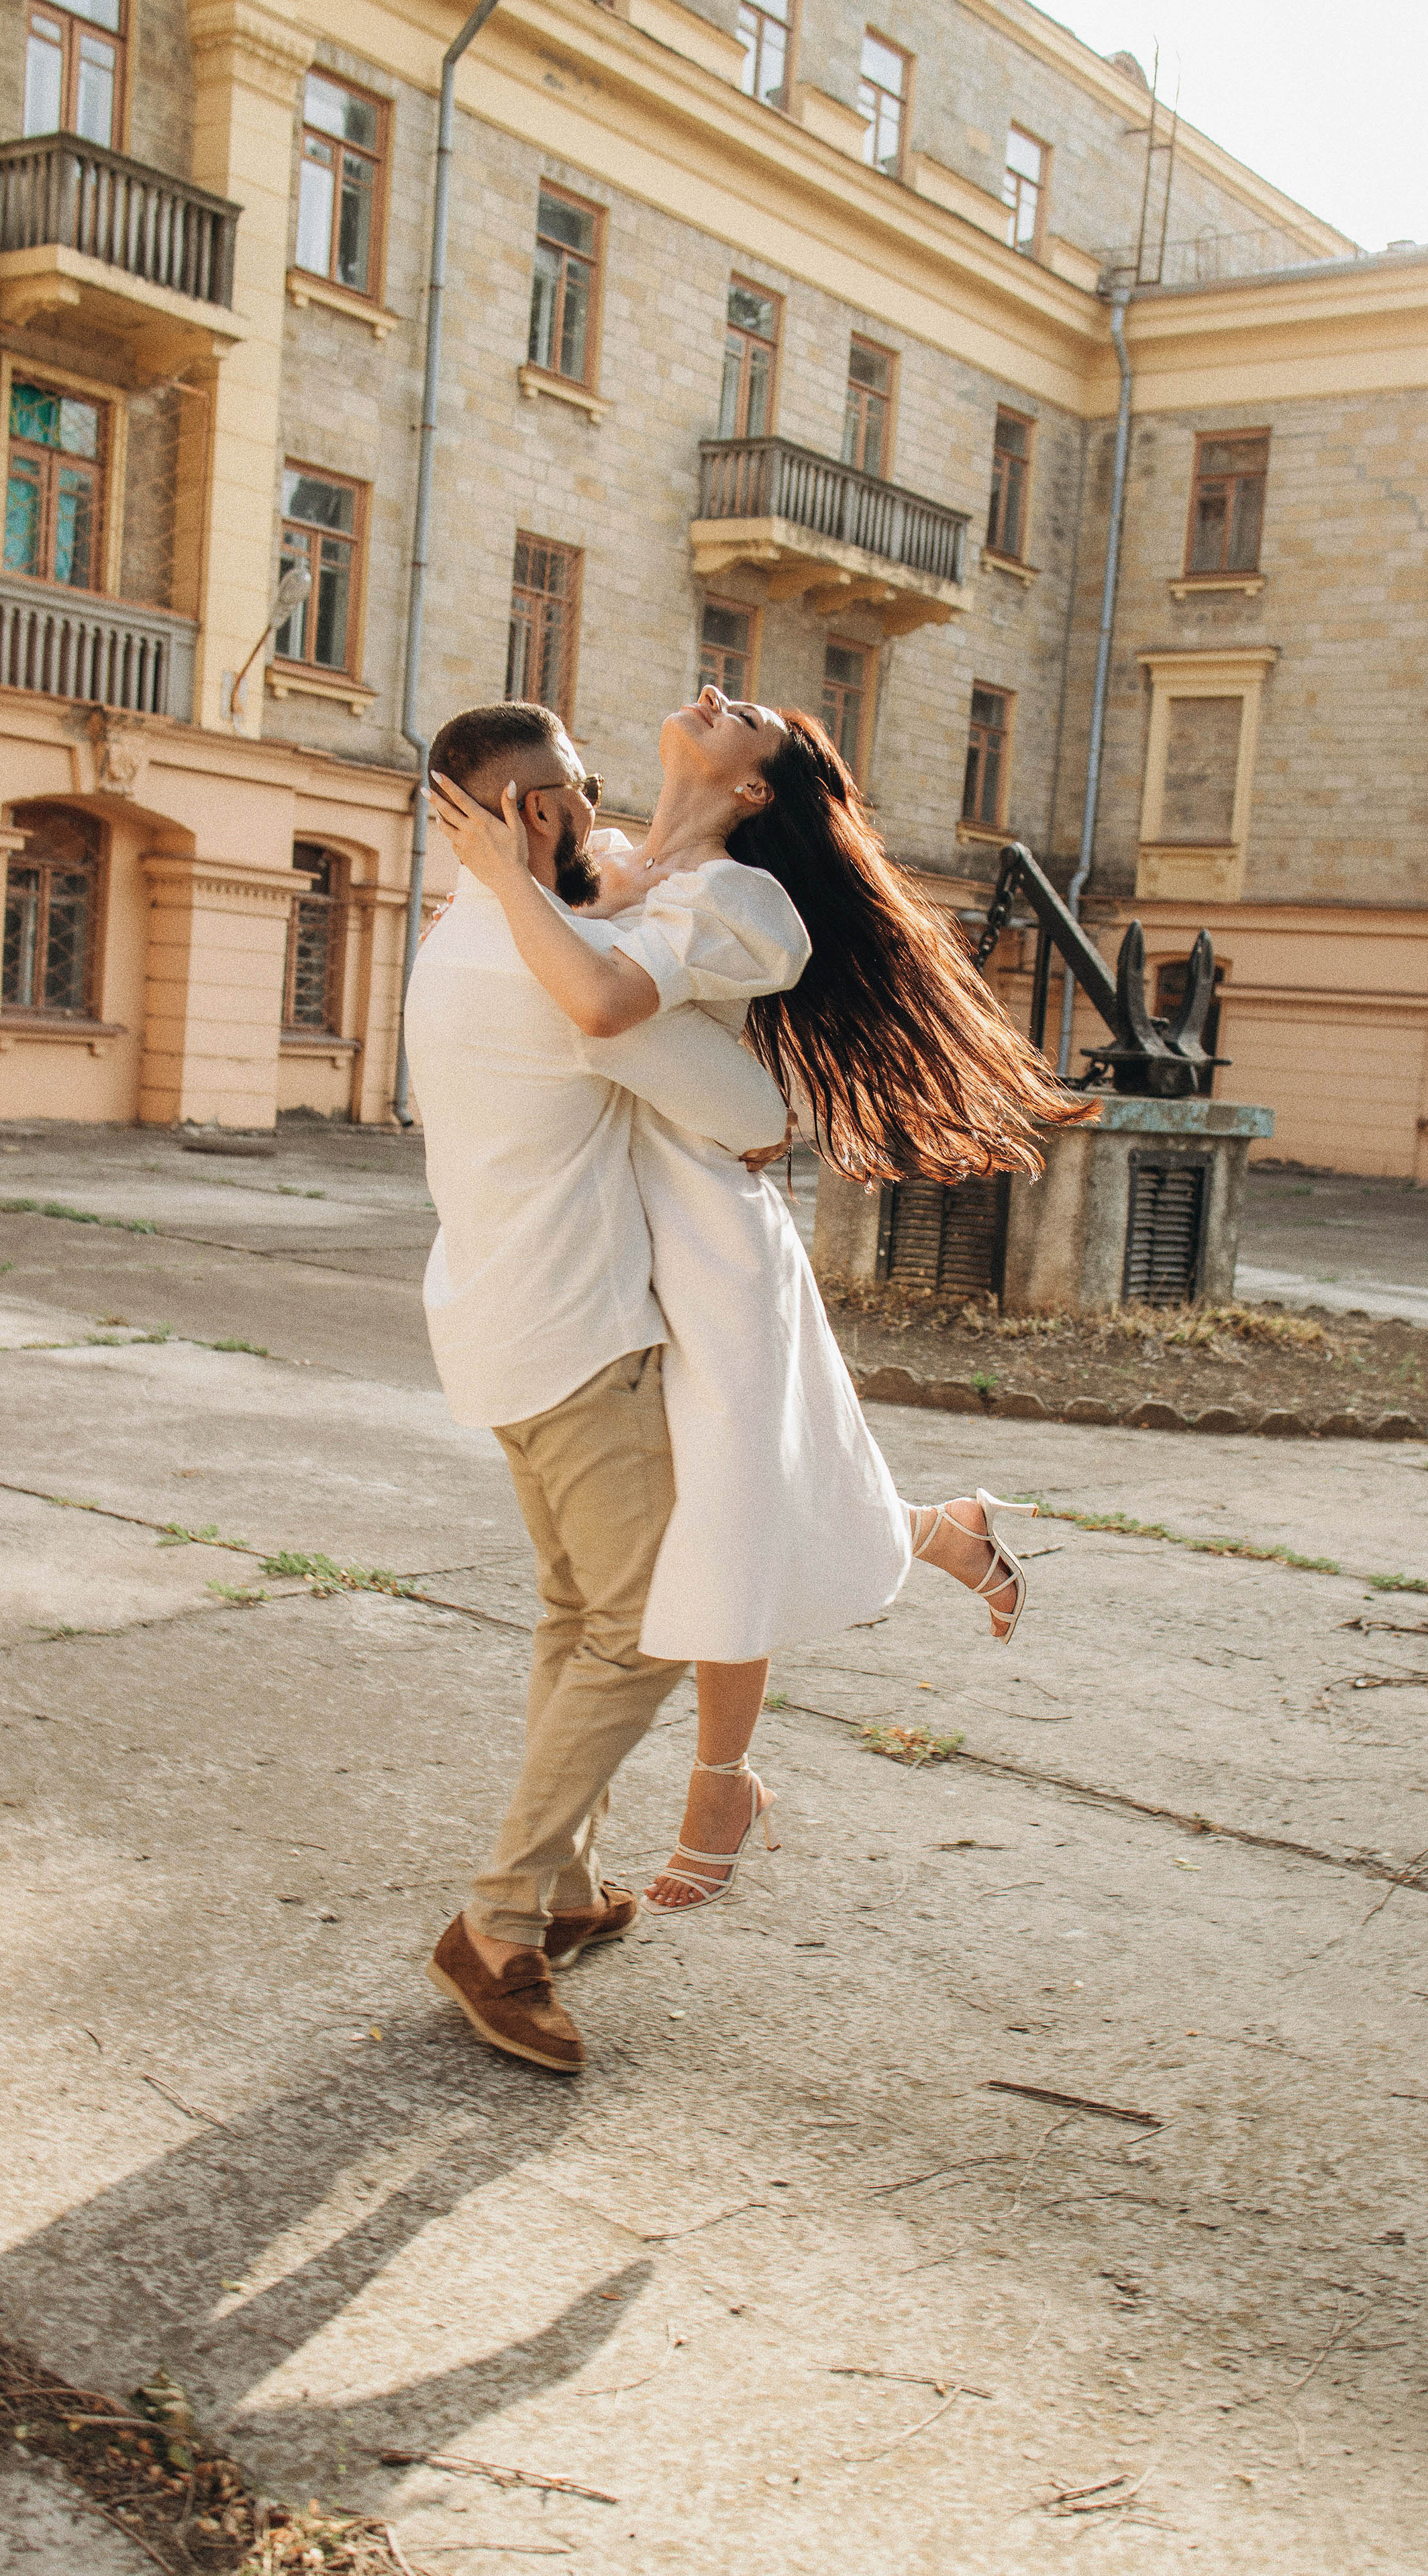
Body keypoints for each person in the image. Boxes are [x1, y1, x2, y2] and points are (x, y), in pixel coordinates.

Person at [428, 687, 1092, 1918]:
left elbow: (609, 1010)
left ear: (753, 793)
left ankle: (721, 1781)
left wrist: (503, 882)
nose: (724, 694)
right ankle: (939, 1531)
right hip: (621, 1222)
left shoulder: (745, 900)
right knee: (723, 1517)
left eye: (755, 722)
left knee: (730, 1517)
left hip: (707, 1229)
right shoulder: (615, 858)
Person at [403, 700, 793, 2075]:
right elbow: (757, 1119)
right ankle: (497, 1926)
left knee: (577, 1617)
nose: (596, 806)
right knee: (637, 1630)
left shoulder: (459, 942)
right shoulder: (557, 971)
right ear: (526, 817)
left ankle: (561, 1890)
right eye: (573, 788)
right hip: (580, 1342)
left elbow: (617, 902)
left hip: (499, 1330)